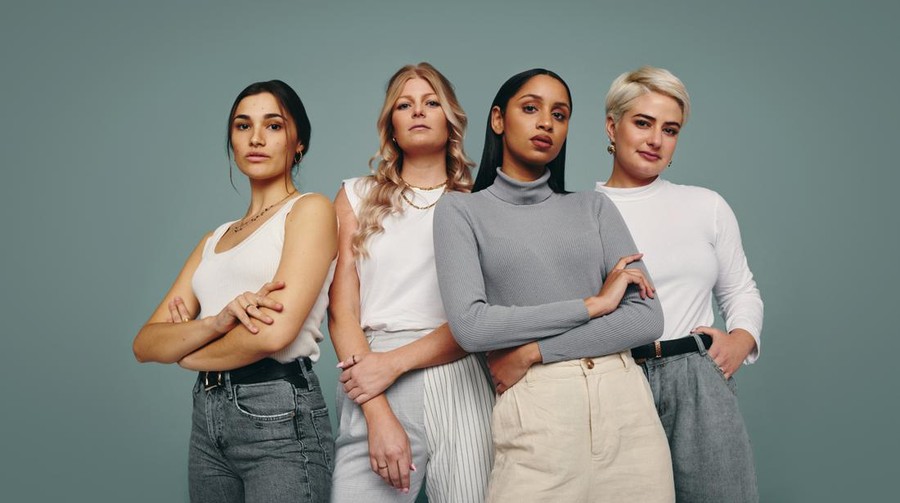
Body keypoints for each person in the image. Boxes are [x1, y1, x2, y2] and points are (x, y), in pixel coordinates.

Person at [433, 69, 675, 502]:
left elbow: (646, 318)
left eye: (559, 115)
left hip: (626, 406)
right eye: (531, 108)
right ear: (498, 119)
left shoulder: (594, 207)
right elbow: (472, 326)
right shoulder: (461, 212)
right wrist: (593, 305)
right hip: (539, 411)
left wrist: (533, 351)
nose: (546, 122)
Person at [133, 80, 338, 503]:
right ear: (232, 140)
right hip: (207, 418)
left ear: (298, 142)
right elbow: (145, 343)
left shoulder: (309, 210)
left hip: (278, 412)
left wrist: (186, 353)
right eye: (243, 126)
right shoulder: (214, 239)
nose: (256, 138)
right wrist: (216, 323)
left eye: (273, 125)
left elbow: (273, 334)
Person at [328, 63, 494, 503]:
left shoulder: (481, 203)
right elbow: (341, 312)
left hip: (460, 373)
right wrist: (376, 410)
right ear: (392, 125)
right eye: (405, 105)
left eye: (431, 102)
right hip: (370, 369)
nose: (418, 111)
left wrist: (395, 364)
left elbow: (482, 317)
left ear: (450, 119)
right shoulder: (355, 195)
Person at [596, 65, 763, 502]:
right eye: (643, 123)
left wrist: (741, 340)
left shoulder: (706, 206)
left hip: (697, 376)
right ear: (612, 127)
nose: (656, 139)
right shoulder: (580, 211)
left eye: (669, 130)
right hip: (616, 377)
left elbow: (740, 289)